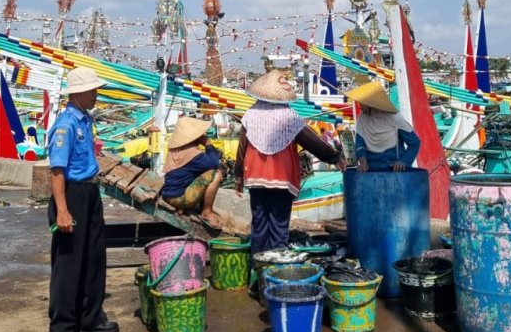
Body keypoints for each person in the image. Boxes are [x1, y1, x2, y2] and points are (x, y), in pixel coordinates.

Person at [233, 68, 346, 254]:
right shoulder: (289, 117)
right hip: (281, 178)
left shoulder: (250, 115)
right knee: (279, 226)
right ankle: (275, 271)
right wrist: (334, 158)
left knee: (259, 224)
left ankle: (259, 266)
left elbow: (241, 150)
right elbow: (313, 143)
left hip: (255, 179)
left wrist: (238, 178)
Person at [46, 67, 118, 332]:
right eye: (92, 89)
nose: (96, 94)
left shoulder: (85, 120)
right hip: (72, 194)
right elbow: (56, 172)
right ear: (78, 94)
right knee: (69, 264)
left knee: (93, 258)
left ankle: (90, 316)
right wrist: (62, 210)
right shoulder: (65, 126)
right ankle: (61, 329)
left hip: (89, 190)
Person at [161, 116, 225, 229]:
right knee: (215, 174)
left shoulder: (175, 149)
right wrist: (208, 144)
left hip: (169, 195)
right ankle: (207, 212)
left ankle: (203, 208)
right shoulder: (192, 153)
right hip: (179, 198)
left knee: (207, 173)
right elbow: (214, 163)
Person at [347, 79, 420, 172]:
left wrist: (403, 161)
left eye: (362, 103)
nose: (359, 105)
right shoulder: (362, 117)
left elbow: (414, 142)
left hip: (394, 171)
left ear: (371, 104)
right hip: (371, 171)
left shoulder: (395, 118)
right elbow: (359, 142)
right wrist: (362, 160)